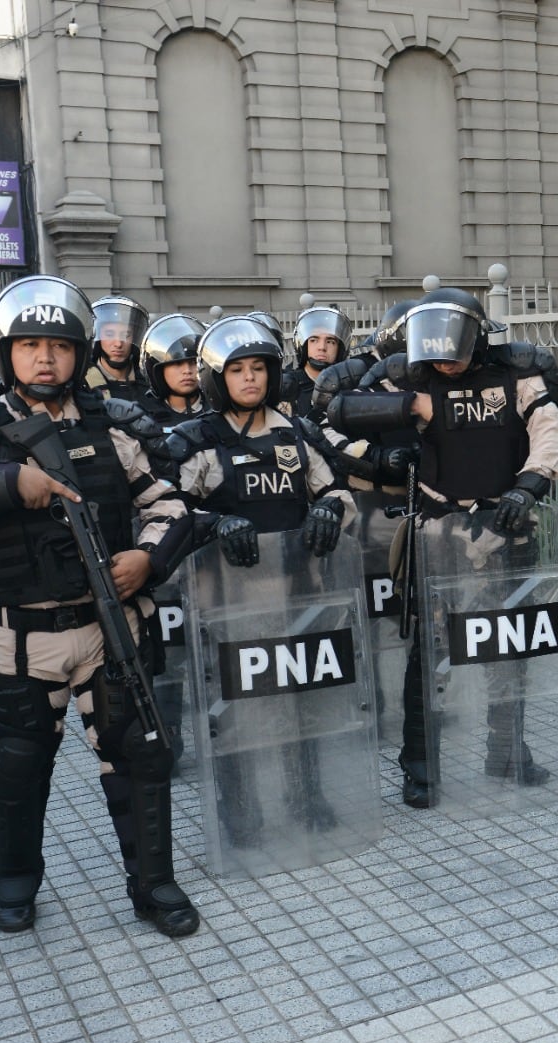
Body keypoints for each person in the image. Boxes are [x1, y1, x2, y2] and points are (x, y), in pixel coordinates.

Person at [0, 275, 201, 938]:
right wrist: (7, 480)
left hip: (115, 625)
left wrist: (148, 559)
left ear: (80, 349)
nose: (45, 358)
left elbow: (169, 502)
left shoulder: (113, 422)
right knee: (21, 764)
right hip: (19, 636)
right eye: (28, 345)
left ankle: (153, 882)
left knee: (140, 755)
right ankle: (16, 882)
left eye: (58, 344)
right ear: (5, 350)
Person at [328, 287, 558, 807]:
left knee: (511, 646)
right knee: (429, 650)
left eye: (454, 352)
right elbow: (333, 416)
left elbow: (548, 432)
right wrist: (395, 426)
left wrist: (529, 485)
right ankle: (419, 764)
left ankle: (507, 751)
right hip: (437, 526)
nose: (446, 364)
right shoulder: (409, 377)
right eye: (436, 354)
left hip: (507, 523)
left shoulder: (516, 373)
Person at [170, 314, 352, 845]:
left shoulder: (296, 432)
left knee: (302, 705)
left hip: (300, 593)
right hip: (228, 602)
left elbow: (336, 491)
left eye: (258, 368)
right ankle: (241, 806)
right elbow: (165, 509)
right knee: (237, 711)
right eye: (237, 370)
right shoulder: (194, 440)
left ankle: (307, 794)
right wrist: (213, 523)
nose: (249, 379)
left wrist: (330, 512)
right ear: (215, 378)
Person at [138, 314, 206, 430]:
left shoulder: (222, 413)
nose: (187, 371)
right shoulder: (143, 416)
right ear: (159, 371)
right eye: (177, 364)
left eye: (193, 363)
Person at [84, 294, 151, 402]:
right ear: (98, 337)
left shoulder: (150, 382)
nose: (118, 344)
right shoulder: (82, 383)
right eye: (109, 334)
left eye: (126, 335)